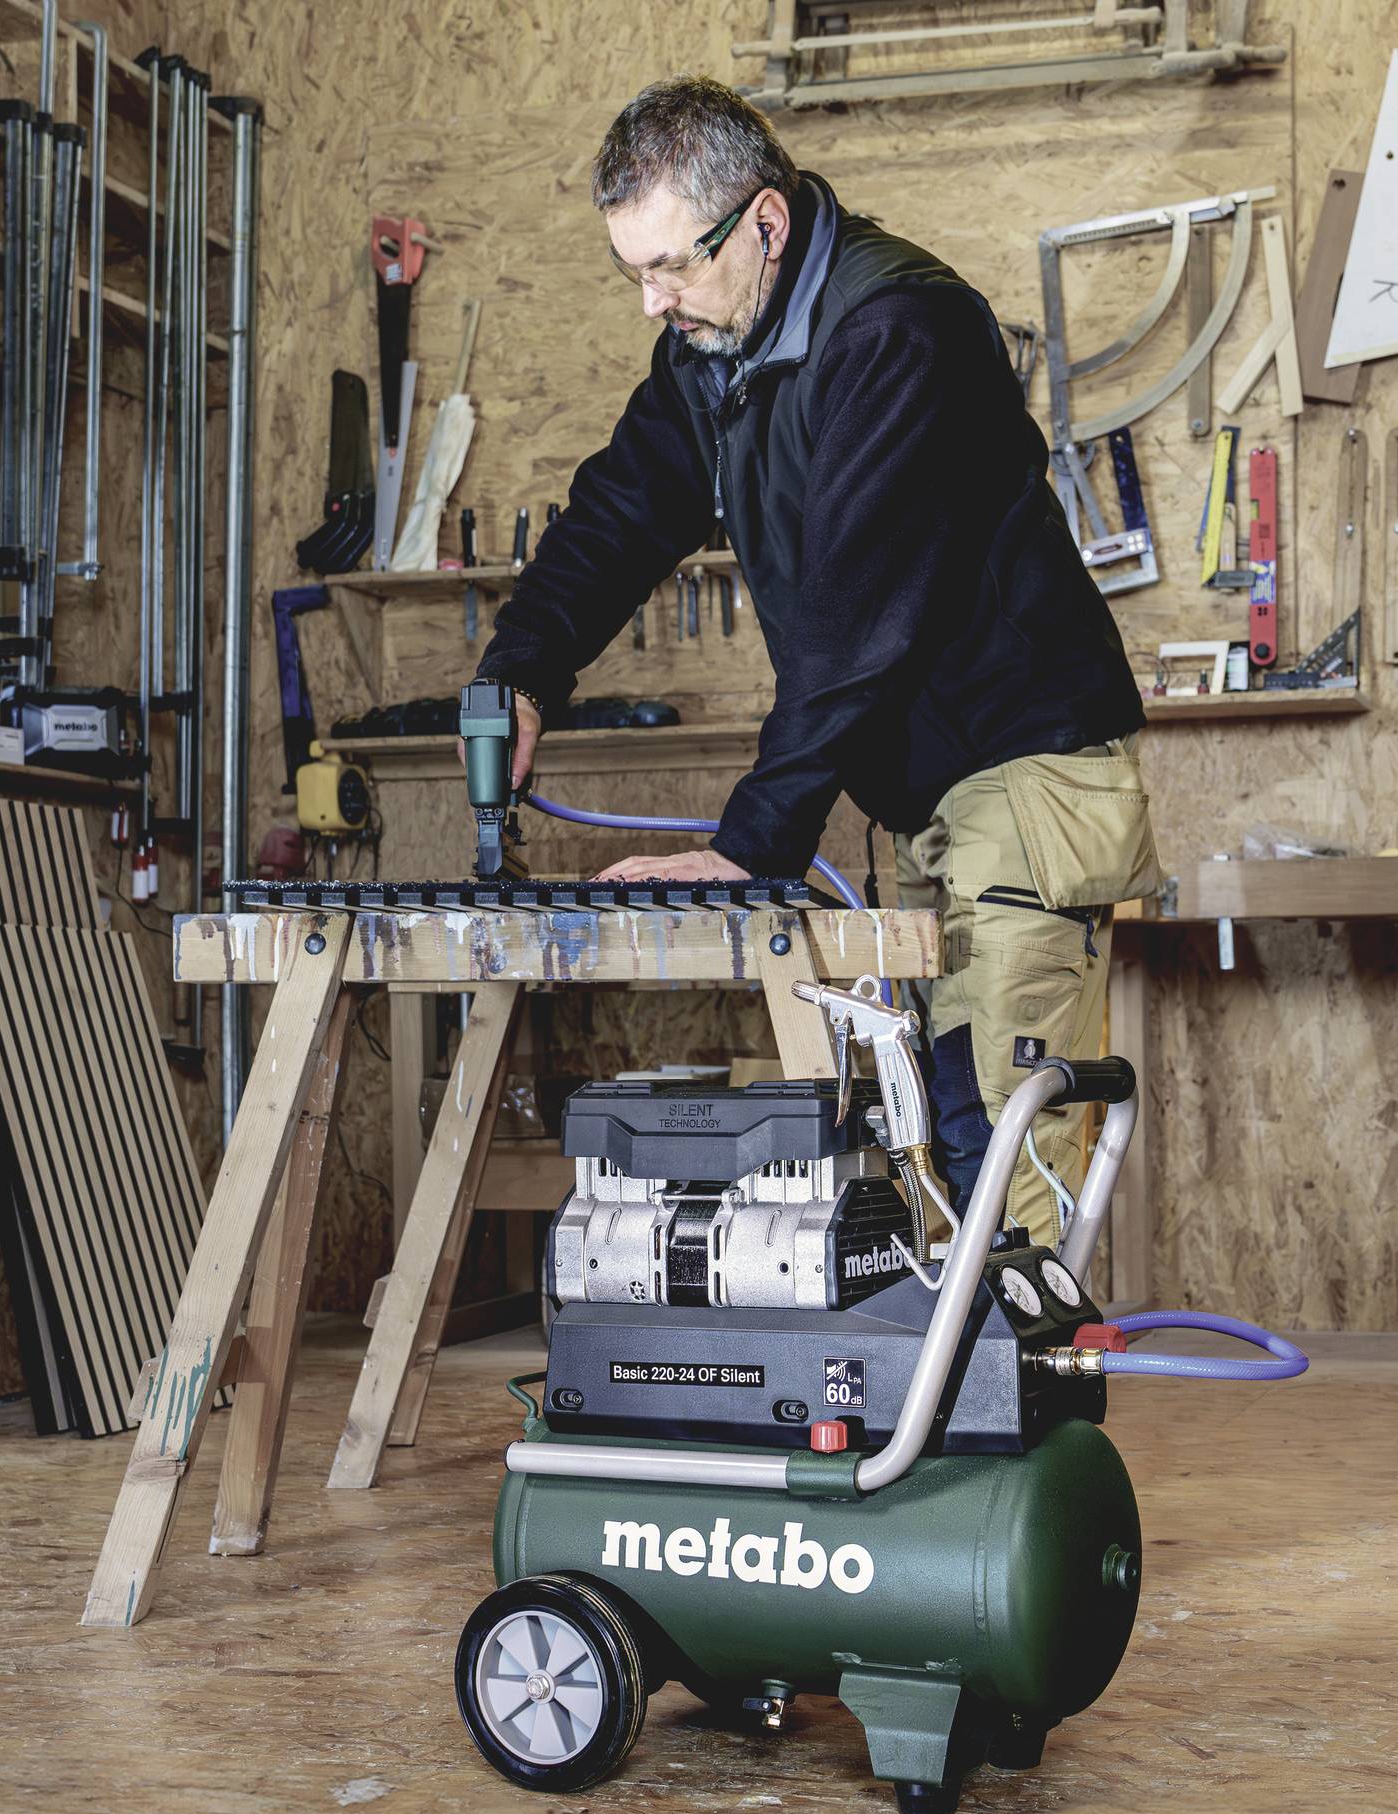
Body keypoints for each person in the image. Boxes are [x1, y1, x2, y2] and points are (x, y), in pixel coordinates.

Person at [462, 75, 1158, 1246]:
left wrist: (751, 847)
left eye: (670, 266)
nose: (653, 301)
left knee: (1000, 1154)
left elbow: (853, 621)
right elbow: (621, 511)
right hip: (939, 798)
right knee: (936, 1154)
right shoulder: (715, 348)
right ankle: (961, 1369)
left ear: (767, 225)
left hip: (1026, 783)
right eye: (634, 272)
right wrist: (522, 666)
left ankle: (1029, 1370)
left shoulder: (899, 330)